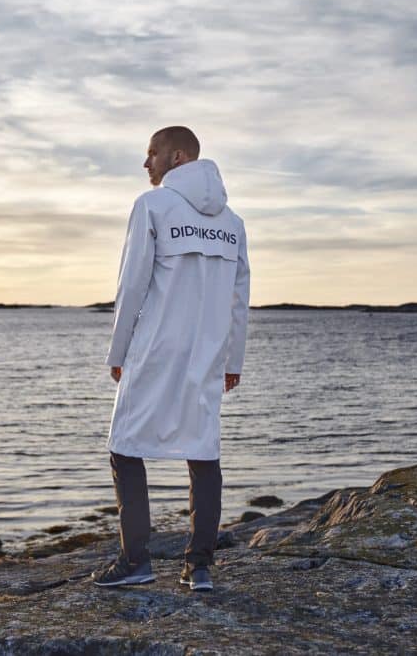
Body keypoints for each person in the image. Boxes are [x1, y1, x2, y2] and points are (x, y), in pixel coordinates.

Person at [91, 126, 250, 592]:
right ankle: (199, 567)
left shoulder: (152, 206)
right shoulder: (233, 223)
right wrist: (233, 361)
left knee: (124, 446)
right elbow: (240, 298)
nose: (147, 163)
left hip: (155, 349)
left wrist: (118, 351)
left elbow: (132, 285)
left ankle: (135, 561)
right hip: (207, 353)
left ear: (177, 157)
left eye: (152, 153)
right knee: (203, 451)